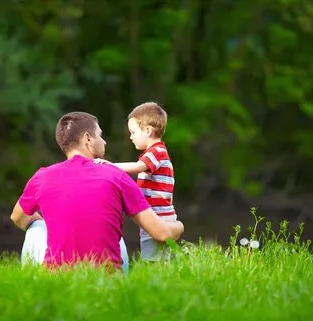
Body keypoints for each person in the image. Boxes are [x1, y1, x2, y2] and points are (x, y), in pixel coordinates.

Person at [10, 111, 184, 271]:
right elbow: (162, 234)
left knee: (36, 228)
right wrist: (179, 225)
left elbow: (17, 217)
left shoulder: (42, 177)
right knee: (119, 240)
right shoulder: (116, 176)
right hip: (107, 281)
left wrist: (47, 224)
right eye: (100, 135)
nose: (104, 141)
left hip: (59, 282)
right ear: (88, 138)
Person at [95, 102, 177, 261]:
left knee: (154, 259)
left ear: (147, 131)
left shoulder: (157, 152)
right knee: (157, 256)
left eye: (133, 132)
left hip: (159, 216)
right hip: (155, 214)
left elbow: (139, 166)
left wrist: (111, 166)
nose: (131, 137)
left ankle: (155, 282)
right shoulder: (155, 153)